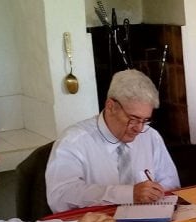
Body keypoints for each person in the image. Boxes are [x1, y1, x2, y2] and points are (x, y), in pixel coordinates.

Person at [46, 69, 180, 212]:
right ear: (111, 107)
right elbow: (60, 197)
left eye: (145, 120)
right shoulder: (74, 141)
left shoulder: (151, 136)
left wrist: (156, 192)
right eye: (133, 119)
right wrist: (128, 194)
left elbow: (171, 184)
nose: (139, 129)